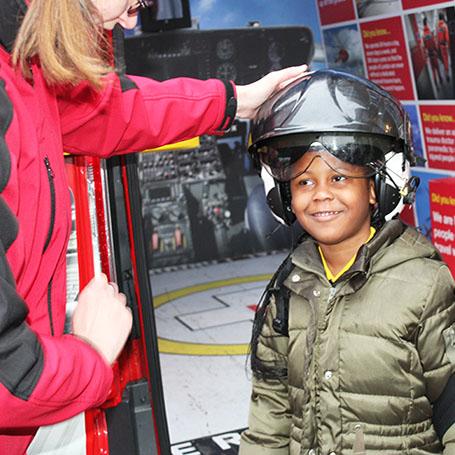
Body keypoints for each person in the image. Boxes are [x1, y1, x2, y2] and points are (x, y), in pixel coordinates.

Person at [0, 0, 309, 452]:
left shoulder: (23, 66)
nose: (131, 19)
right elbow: (11, 379)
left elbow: (109, 112)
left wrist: (235, 102)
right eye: (134, 1)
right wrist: (90, 353)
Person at [240, 69, 455, 454]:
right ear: (281, 195)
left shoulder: (426, 284)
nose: (321, 194)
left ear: (379, 189)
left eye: (339, 178)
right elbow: (269, 416)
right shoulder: (286, 292)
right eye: (304, 182)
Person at [436, 12, 450, 83]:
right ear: (443, 17)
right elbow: (447, 37)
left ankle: (445, 70)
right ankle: (447, 73)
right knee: (446, 59)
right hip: (445, 45)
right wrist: (448, 44)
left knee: (443, 59)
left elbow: (437, 38)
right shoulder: (445, 26)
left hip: (440, 45)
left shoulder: (437, 27)